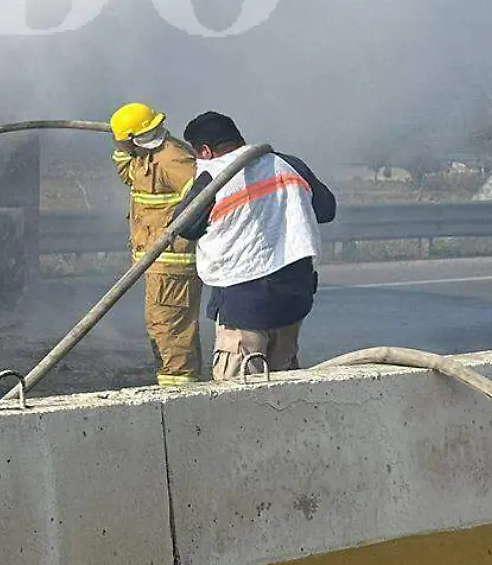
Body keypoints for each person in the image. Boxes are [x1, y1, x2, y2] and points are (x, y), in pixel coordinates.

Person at [173, 111, 337, 379]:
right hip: (294, 292)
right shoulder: (288, 163)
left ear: (204, 150)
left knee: (239, 390)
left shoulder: (214, 176)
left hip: (244, 299)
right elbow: (326, 209)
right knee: (284, 384)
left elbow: (185, 227)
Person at [110, 101, 204, 387]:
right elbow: (133, 177)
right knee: (165, 328)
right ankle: (179, 384)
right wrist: (121, 148)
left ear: (134, 139)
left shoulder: (172, 158)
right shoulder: (147, 156)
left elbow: (202, 197)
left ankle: (177, 395)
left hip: (172, 263)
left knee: (169, 331)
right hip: (159, 263)